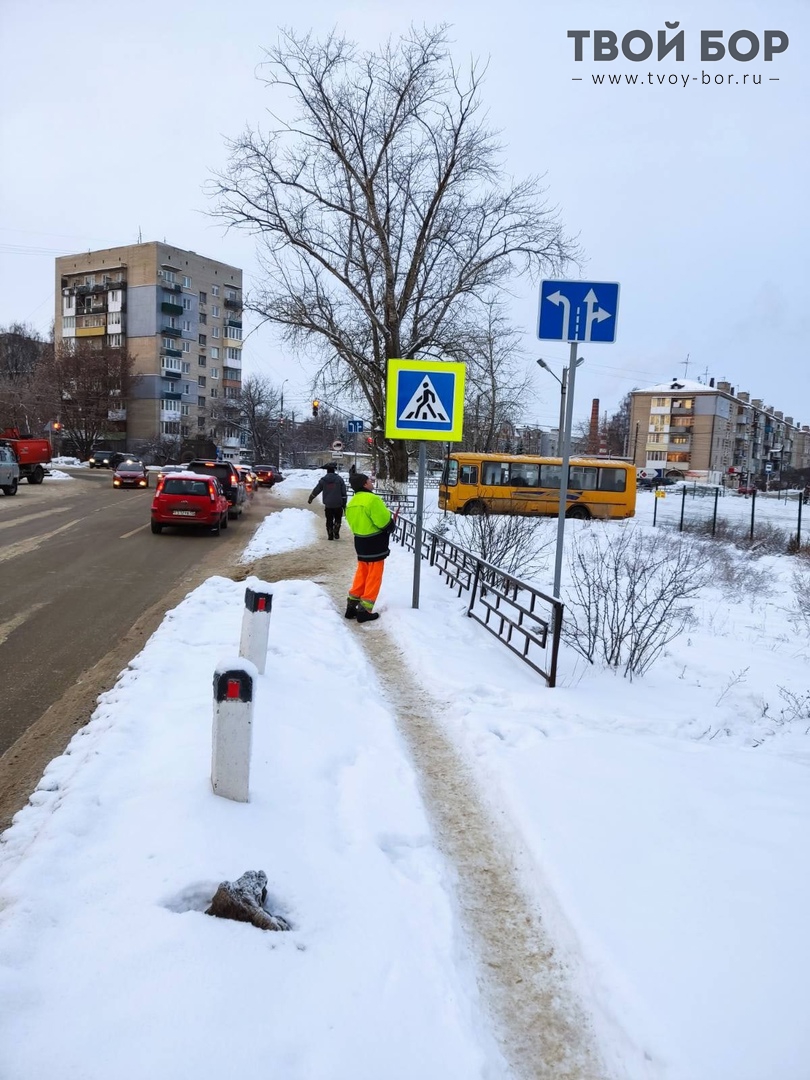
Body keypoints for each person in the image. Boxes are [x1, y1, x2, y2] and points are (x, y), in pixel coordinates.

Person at [344, 473, 395, 623]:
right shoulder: (373, 499)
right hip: (375, 543)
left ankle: (351, 606)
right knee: (374, 576)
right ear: (364, 484)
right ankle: (365, 610)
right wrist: (391, 525)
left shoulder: (352, 502)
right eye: (369, 481)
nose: (372, 482)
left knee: (362, 573)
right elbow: (383, 522)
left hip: (360, 542)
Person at [307, 464, 347, 540]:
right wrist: (344, 504)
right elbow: (343, 493)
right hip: (338, 504)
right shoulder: (339, 479)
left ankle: (330, 535)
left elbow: (317, 490)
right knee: (338, 518)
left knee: (329, 520)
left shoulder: (323, 480)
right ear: (334, 471)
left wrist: (311, 498)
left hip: (328, 504)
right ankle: (336, 529)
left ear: (327, 471)